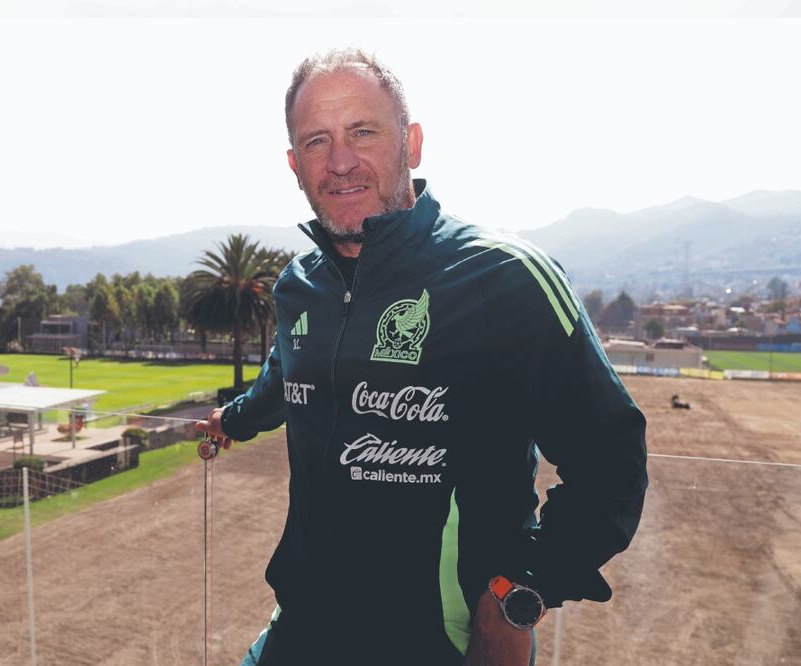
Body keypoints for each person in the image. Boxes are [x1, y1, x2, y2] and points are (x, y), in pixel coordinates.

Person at [196, 48, 648, 666]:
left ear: (411, 142)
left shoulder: (503, 278)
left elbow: (611, 463)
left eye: (363, 132)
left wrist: (519, 592)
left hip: (442, 643)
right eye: (316, 142)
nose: (341, 162)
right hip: (301, 629)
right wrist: (233, 420)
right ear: (293, 164)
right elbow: (286, 380)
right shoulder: (299, 285)